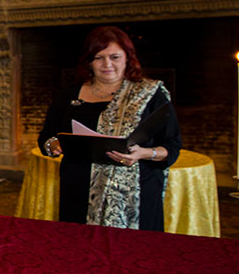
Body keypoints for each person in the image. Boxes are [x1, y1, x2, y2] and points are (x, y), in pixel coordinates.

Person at [38, 26, 181, 231]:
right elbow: (46, 136)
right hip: (79, 192)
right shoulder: (69, 95)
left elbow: (172, 145)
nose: (107, 64)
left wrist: (144, 154)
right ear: (89, 61)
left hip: (138, 194)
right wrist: (53, 145)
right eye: (99, 57)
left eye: (115, 57)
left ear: (127, 58)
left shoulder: (151, 94)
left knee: (137, 257)